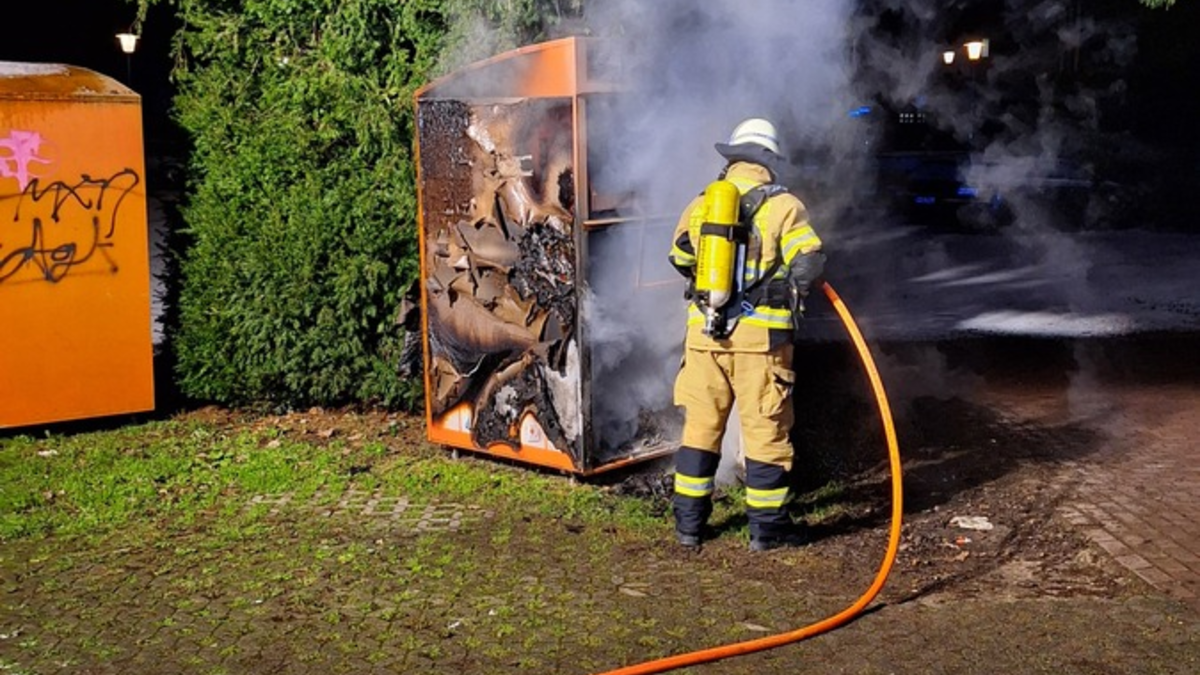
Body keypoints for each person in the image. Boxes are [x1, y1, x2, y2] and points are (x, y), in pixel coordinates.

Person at [667, 118, 826, 552]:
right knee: (765, 432)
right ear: (768, 162)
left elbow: (678, 254)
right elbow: (808, 261)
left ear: (734, 158)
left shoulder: (702, 203)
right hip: (760, 344)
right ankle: (768, 530)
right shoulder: (785, 206)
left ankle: (689, 527)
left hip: (704, 337)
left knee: (700, 428)